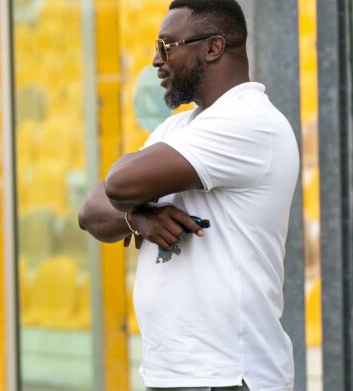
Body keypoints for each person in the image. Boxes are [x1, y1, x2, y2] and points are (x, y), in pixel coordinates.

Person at [78, 1, 298, 390]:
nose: (155, 60)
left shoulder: (250, 122)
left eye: (166, 46)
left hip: (229, 376)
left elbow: (117, 185)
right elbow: (91, 212)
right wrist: (139, 218)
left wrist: (130, 197)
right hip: (175, 373)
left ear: (213, 48)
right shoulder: (178, 127)